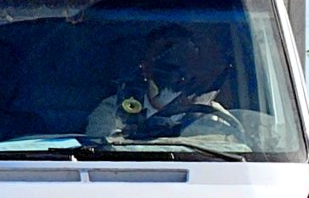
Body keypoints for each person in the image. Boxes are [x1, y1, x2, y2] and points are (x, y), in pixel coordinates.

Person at [86, 24, 239, 139]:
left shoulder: (213, 118)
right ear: (145, 67)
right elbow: (103, 157)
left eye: (184, 61)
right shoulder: (111, 111)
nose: (176, 71)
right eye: (165, 62)